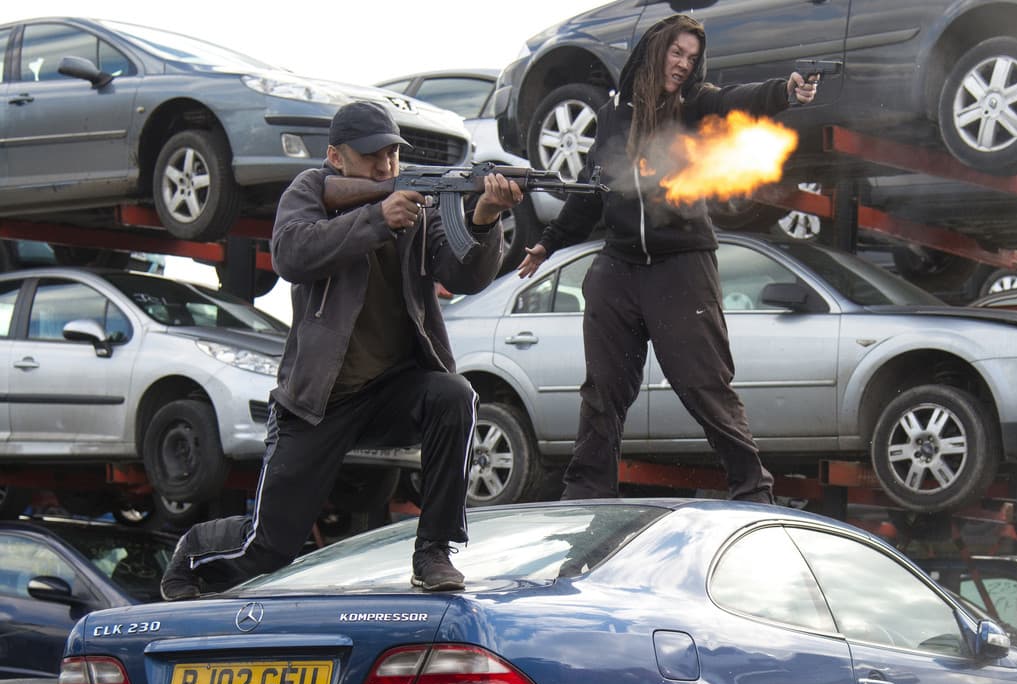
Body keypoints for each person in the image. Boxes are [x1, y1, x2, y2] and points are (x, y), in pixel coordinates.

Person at [160, 100, 523, 599]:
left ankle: (434, 550)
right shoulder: (310, 190)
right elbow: (291, 253)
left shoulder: (419, 202)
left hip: (392, 390)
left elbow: (463, 274)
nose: (386, 166)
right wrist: (377, 218)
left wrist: (484, 217)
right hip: (318, 402)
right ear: (336, 157)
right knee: (270, 548)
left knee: (454, 395)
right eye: (372, 156)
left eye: (392, 154)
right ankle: (193, 553)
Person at [516, 14, 816, 502]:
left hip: (681, 265)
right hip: (619, 265)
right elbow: (593, 189)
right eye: (676, 53)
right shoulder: (613, 114)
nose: (682, 65)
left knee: (704, 385)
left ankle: (751, 488)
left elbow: (736, 100)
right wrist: (549, 242)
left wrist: (785, 91)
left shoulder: (694, 105)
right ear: (654, 50)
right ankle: (587, 489)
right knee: (602, 388)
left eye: (691, 58)